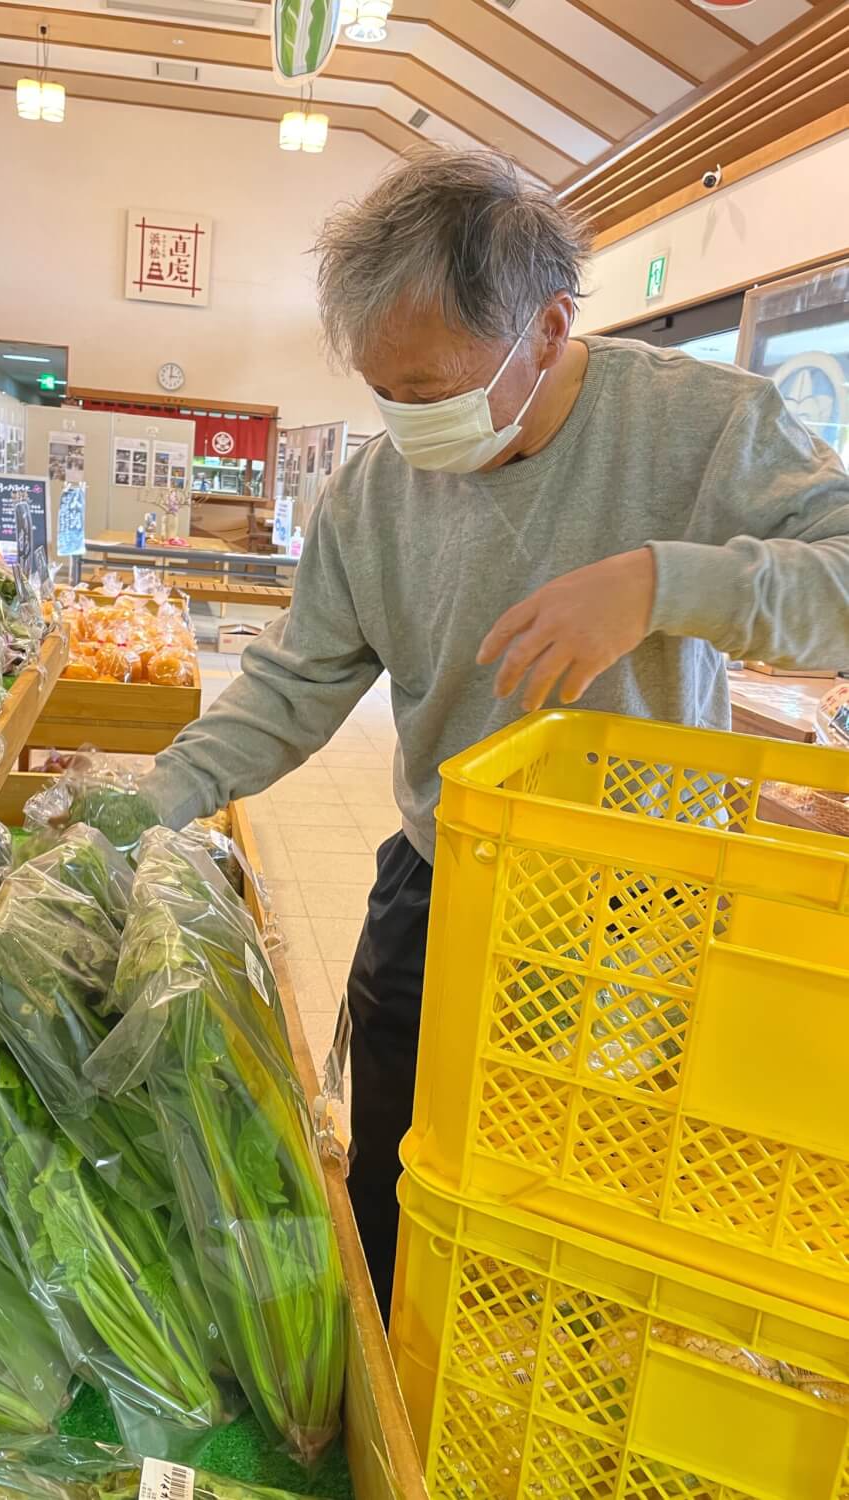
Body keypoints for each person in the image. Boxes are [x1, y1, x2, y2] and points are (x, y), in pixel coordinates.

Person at [140, 146, 849, 1315]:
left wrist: (661, 585)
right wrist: (152, 800)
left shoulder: (706, 429)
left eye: (428, 391)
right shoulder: (374, 494)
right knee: (398, 1198)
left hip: (640, 918)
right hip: (442, 885)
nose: (405, 422)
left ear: (548, 326)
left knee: (578, 1225)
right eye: (384, 392)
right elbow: (292, 683)